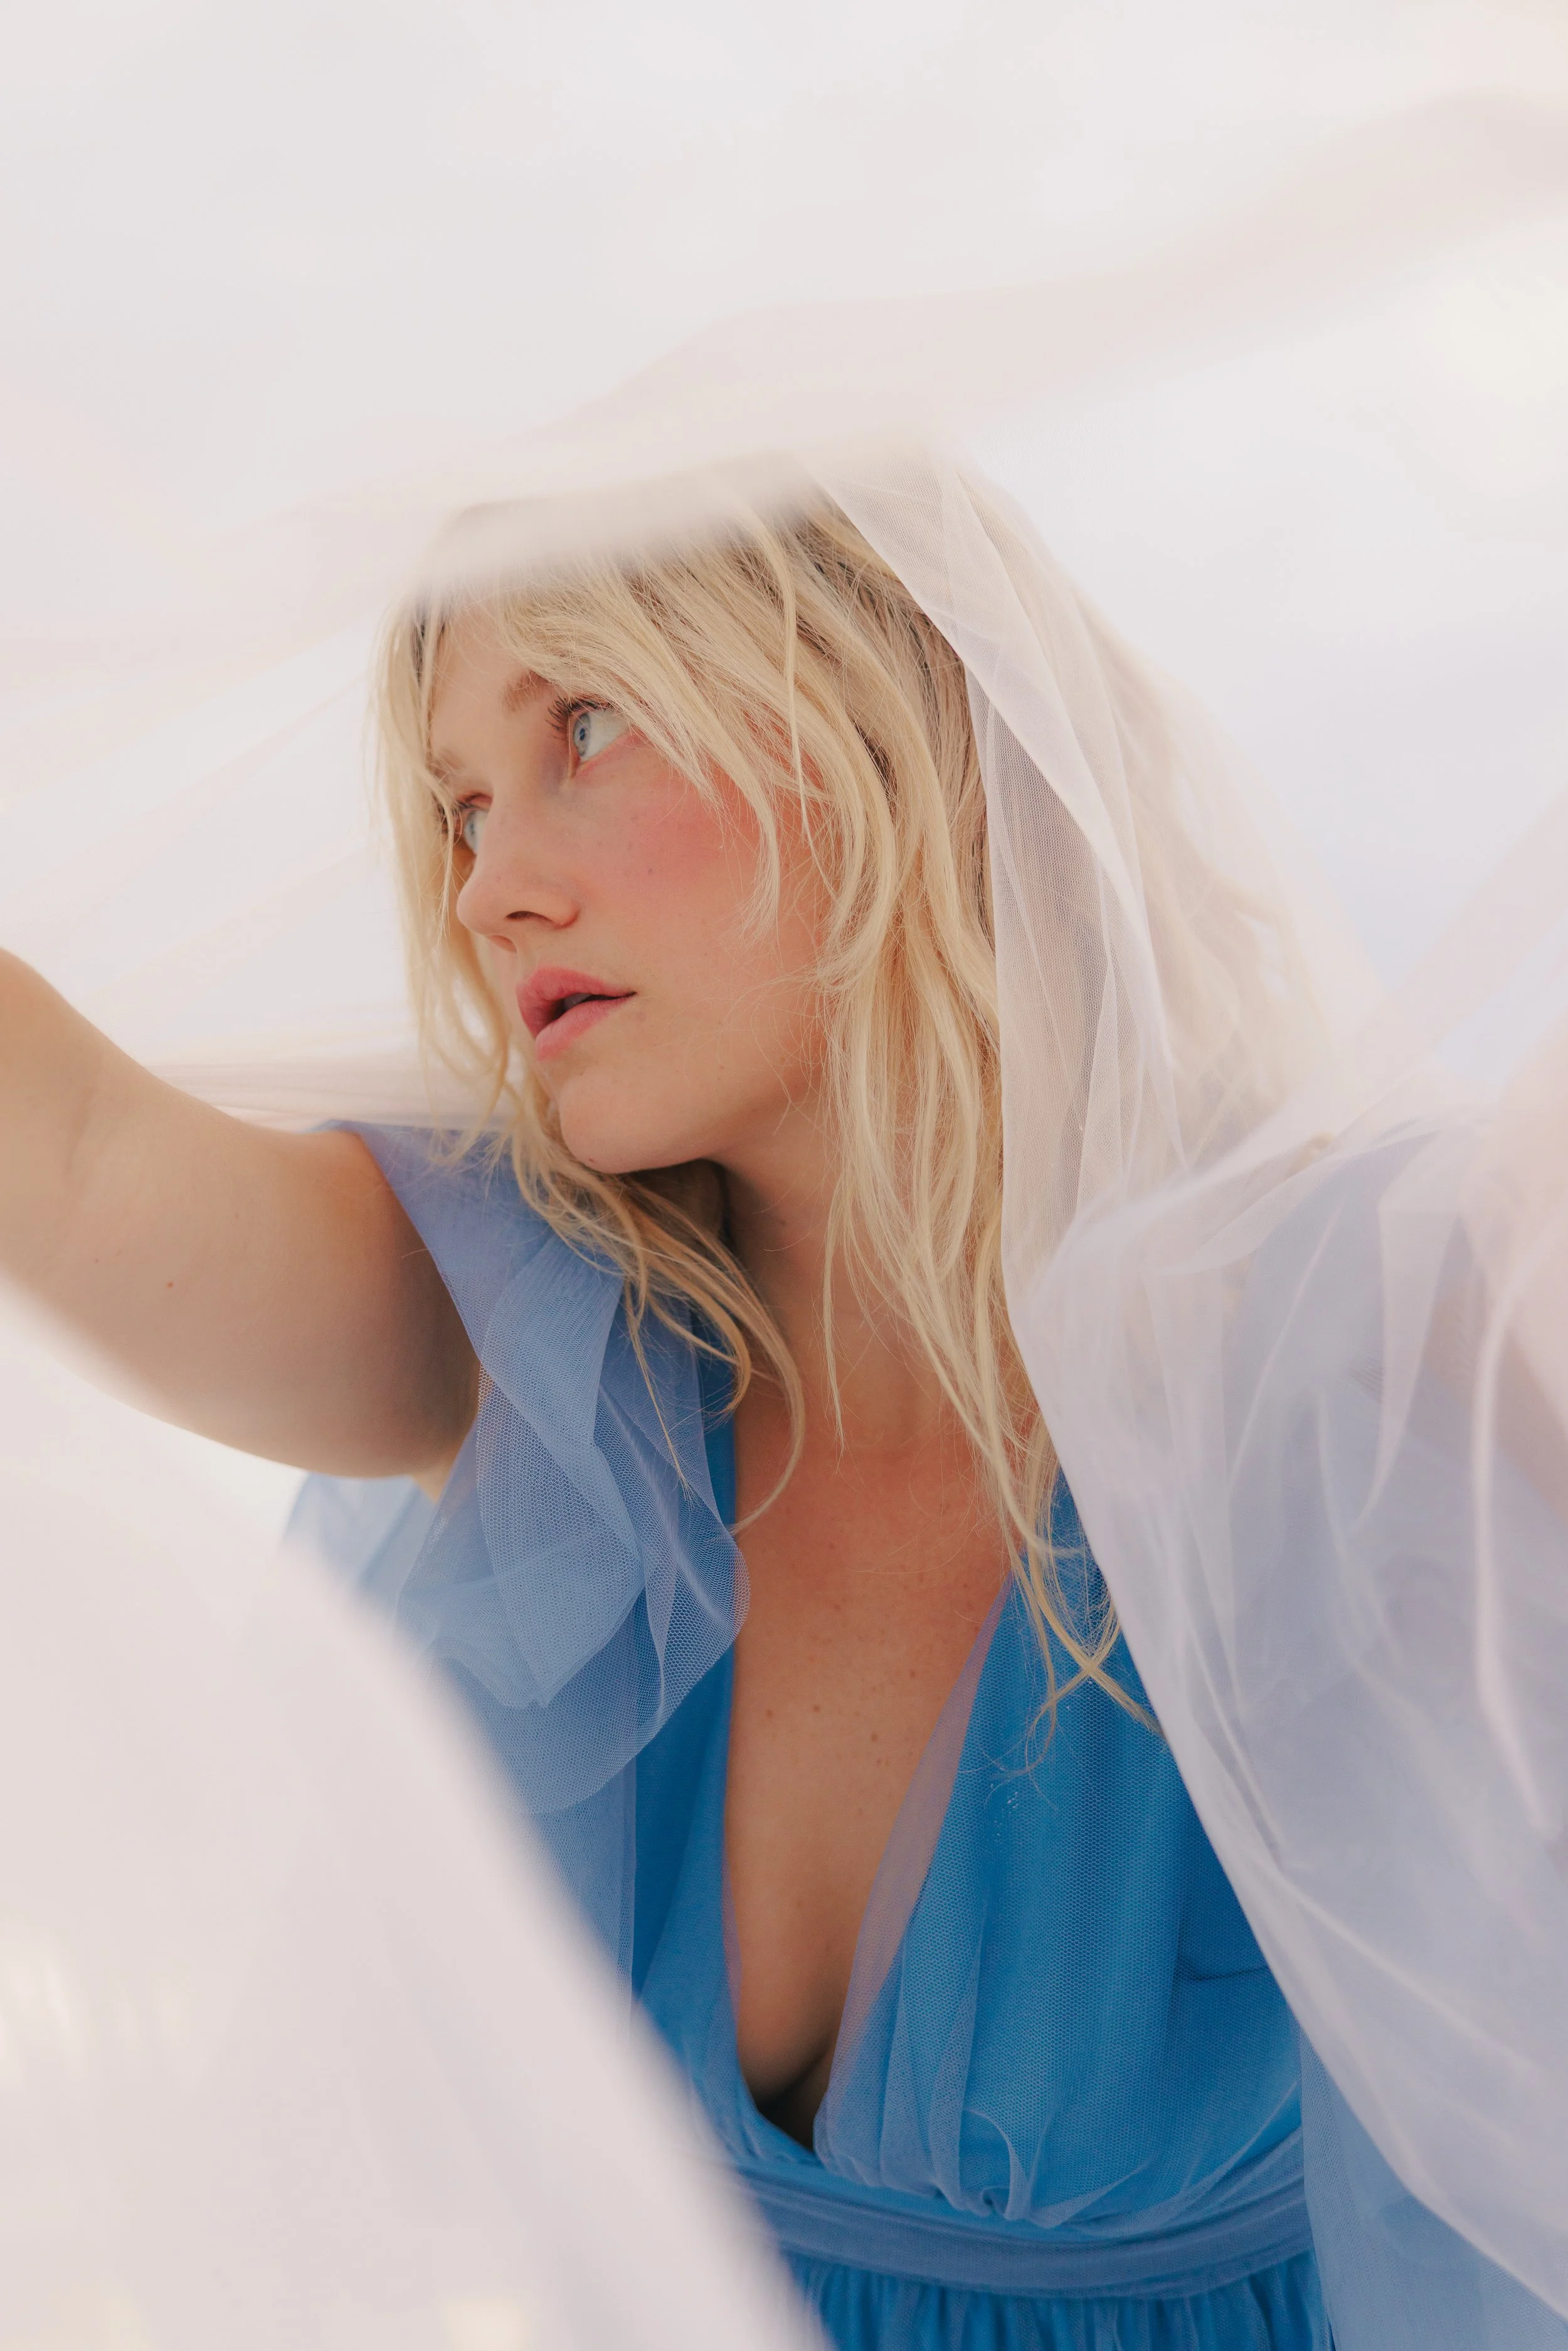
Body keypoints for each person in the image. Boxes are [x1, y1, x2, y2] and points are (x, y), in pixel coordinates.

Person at [3, 459, 1565, 2350]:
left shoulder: (1348, 1336)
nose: (488, 886)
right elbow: (67, 1156)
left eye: (585, 726)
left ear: (880, 710)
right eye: (461, 804)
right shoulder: (552, 1371)